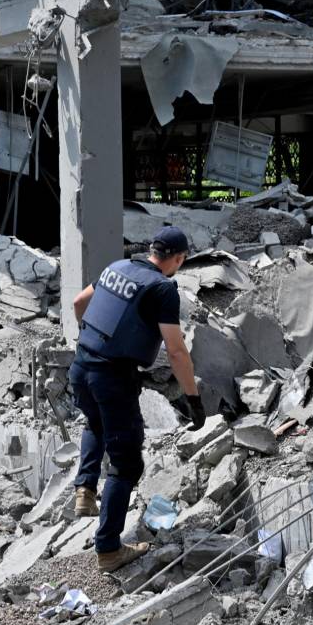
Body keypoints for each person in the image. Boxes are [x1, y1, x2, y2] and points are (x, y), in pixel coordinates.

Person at [69, 226, 207, 572]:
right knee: (127, 464)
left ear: (150, 250)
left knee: (95, 423)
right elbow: (176, 351)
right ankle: (109, 549)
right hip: (113, 378)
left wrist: (94, 342)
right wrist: (193, 398)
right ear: (178, 259)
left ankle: (84, 489)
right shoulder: (162, 289)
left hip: (81, 365)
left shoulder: (116, 268)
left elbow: (79, 303)